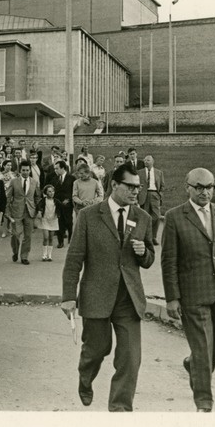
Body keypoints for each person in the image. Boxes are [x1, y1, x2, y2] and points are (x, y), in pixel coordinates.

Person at [61, 162, 155, 411]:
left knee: (130, 359)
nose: (136, 191)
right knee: (96, 350)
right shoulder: (89, 216)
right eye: (130, 186)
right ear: (114, 184)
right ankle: (85, 376)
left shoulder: (142, 218)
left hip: (128, 298)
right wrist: (69, 296)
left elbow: (149, 259)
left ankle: (120, 410)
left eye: (139, 187)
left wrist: (144, 252)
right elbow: (74, 259)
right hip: (97, 295)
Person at [161, 167, 215, 412]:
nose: (205, 192)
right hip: (193, 295)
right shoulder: (175, 217)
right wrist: (172, 298)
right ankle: (204, 402)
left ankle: (192, 364)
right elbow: (169, 260)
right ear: (188, 188)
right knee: (204, 349)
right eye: (199, 187)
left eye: (209, 187)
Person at [6, 160, 41, 265]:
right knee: (15, 234)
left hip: (30, 212)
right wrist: (7, 212)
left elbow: (37, 197)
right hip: (16, 211)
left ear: (30, 170)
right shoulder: (14, 181)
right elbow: (8, 197)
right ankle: (15, 251)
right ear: (20, 171)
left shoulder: (34, 182)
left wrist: (38, 210)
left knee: (28, 236)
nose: (25, 172)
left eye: (27, 170)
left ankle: (24, 256)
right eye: (23, 170)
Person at [137, 155, 164, 245]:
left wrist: (160, 195)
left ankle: (153, 237)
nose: (145, 162)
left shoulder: (159, 172)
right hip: (143, 195)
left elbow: (162, 186)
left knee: (156, 216)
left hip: (155, 194)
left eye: (148, 160)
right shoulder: (139, 172)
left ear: (153, 161)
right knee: (144, 216)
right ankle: (145, 237)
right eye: (144, 160)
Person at [51, 160, 75, 248]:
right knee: (59, 223)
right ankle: (60, 241)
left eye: (57, 168)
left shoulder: (71, 178)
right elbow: (53, 191)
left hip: (68, 204)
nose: (55, 170)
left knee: (69, 221)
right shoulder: (54, 179)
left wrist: (69, 199)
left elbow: (74, 190)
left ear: (63, 168)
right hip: (58, 203)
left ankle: (71, 238)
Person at [36, 184, 59, 261]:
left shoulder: (56, 201)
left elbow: (61, 207)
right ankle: (44, 255)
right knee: (46, 237)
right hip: (45, 220)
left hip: (53, 220)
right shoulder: (43, 200)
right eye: (49, 191)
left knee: (51, 238)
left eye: (53, 191)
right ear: (46, 192)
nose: (51, 193)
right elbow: (38, 206)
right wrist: (39, 212)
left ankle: (49, 255)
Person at [0, 160, 16, 237]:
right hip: (3, 195)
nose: (9, 167)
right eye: (7, 165)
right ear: (4, 166)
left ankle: (10, 228)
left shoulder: (13, 174)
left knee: (11, 212)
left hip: (12, 195)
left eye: (10, 165)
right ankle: (4, 231)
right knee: (5, 213)